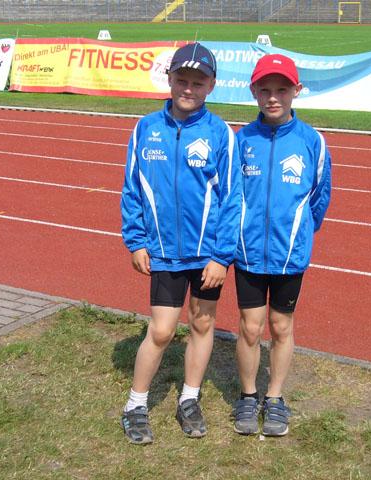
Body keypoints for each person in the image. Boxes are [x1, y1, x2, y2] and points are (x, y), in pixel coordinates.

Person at [120, 42, 242, 445]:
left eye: (198, 82)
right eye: (182, 80)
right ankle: (136, 404)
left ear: (211, 86)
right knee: (161, 330)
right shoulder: (145, 128)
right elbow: (132, 188)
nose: (188, 88)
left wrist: (222, 256)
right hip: (164, 252)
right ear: (169, 79)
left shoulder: (220, 133)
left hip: (207, 255)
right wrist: (136, 241)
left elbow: (232, 198)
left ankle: (189, 399)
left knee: (202, 323)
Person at [232, 54, 332, 437]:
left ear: (296, 91)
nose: (273, 97)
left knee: (280, 325)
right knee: (250, 327)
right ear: (254, 92)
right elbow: (230, 195)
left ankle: (274, 397)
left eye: (282, 90)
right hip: (247, 253)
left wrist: (300, 231)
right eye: (265, 90)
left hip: (290, 254)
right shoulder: (241, 140)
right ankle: (247, 395)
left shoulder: (312, 142)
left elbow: (319, 197)